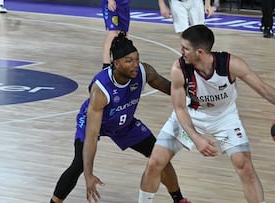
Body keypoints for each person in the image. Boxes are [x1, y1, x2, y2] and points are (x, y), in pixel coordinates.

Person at [139, 24, 275, 203]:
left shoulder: (231, 64)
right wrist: (196, 138)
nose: (181, 51)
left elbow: (263, 88)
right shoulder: (179, 69)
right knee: (155, 162)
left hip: (224, 117)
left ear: (200, 52)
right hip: (192, 114)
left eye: (186, 48)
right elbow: (180, 109)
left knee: (246, 168)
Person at [50, 32, 189, 203]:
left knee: (159, 157)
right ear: (116, 63)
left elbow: (170, 88)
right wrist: (89, 175)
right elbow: (92, 136)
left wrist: (195, 88)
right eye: (129, 61)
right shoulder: (101, 89)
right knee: (79, 164)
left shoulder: (144, 72)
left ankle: (179, 199)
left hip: (124, 124)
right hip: (95, 123)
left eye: (136, 59)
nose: (135, 65)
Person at [101, 0, 131, 69]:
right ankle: (106, 66)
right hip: (112, 3)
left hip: (124, 5)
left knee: (123, 35)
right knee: (113, 34)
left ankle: (119, 62)